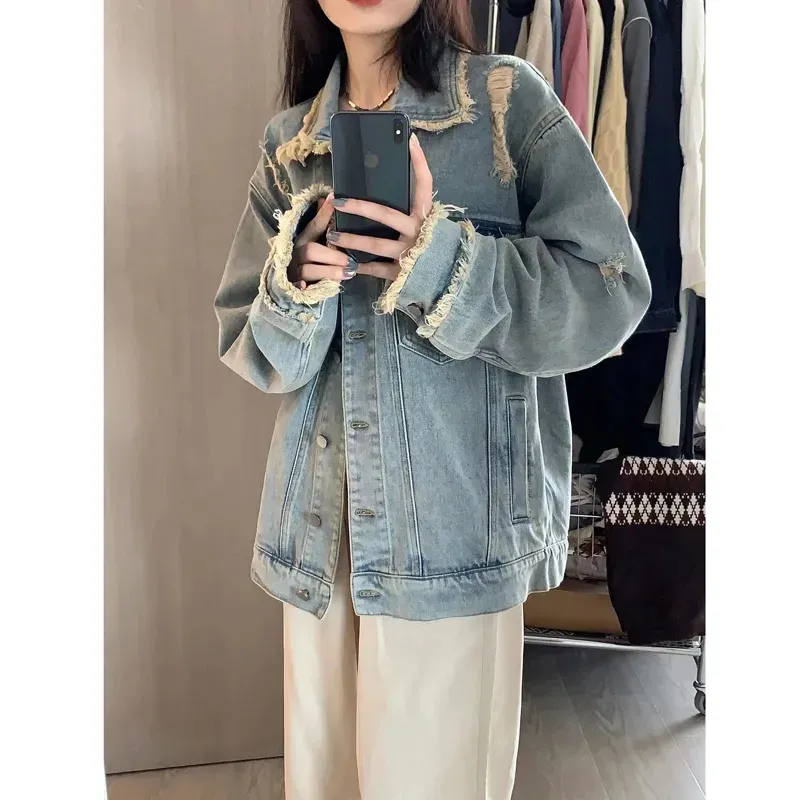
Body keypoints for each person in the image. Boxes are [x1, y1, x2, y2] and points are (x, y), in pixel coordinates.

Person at [214, 1, 651, 797]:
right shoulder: (291, 145)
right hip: (319, 546)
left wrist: (439, 259)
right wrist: (297, 281)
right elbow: (257, 351)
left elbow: (610, 291)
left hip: (455, 536)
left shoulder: (504, 106)